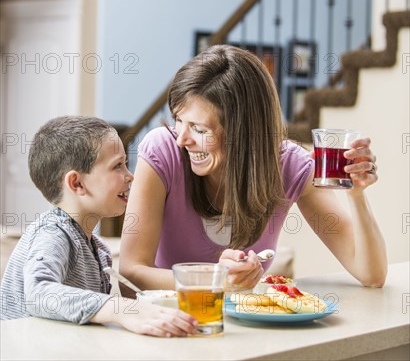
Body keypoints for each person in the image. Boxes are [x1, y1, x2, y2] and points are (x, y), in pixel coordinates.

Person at [119, 45, 387, 293]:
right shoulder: (163, 152)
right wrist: (214, 280)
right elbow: (131, 273)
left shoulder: (290, 166)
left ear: (243, 132)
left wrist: (356, 194)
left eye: (199, 129)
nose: (182, 139)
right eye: (179, 120)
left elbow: (371, 274)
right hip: (170, 325)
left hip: (247, 336)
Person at [0, 116, 197, 337]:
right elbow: (38, 293)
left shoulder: (100, 251)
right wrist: (118, 309)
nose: (130, 176)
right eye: (118, 166)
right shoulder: (53, 234)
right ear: (77, 183)